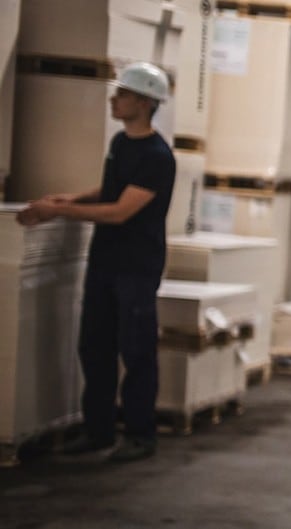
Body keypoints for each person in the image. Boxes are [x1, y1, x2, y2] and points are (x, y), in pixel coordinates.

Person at [17, 62, 176, 463]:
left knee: (136, 350)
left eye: (122, 94)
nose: (113, 99)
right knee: (94, 346)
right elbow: (110, 190)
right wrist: (69, 199)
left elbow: (122, 211)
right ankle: (98, 430)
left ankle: (140, 435)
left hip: (136, 266)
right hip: (105, 260)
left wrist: (59, 214)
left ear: (143, 102)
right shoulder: (122, 145)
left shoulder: (158, 156)